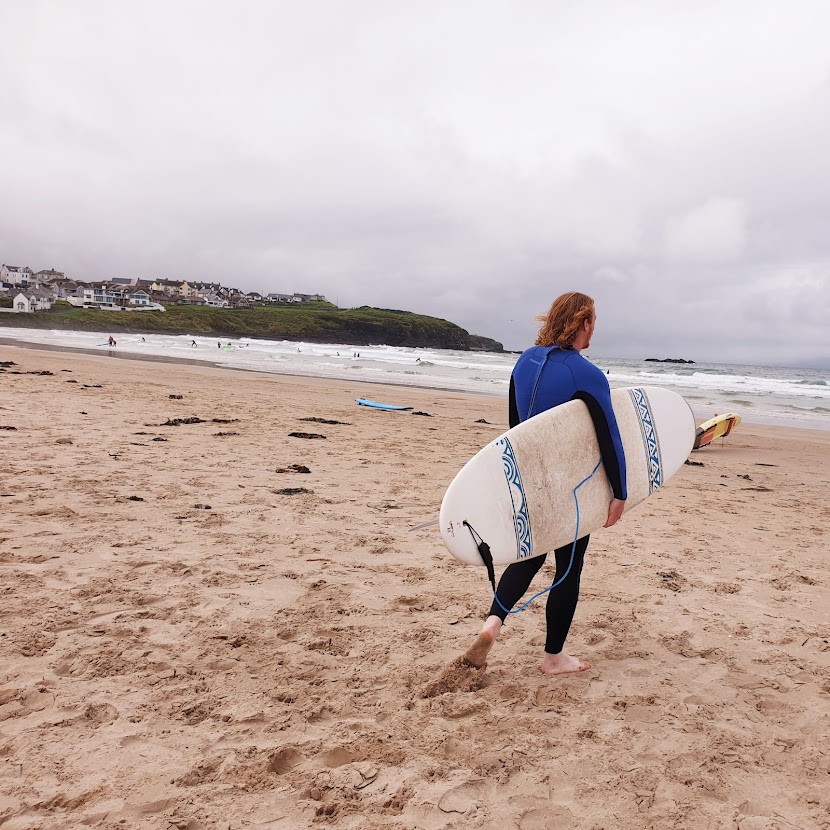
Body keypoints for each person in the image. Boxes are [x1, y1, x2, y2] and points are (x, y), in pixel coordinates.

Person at [463, 292, 627, 676]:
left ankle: (492, 623)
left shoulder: (524, 361)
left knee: (530, 556)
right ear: (584, 322)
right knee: (569, 567)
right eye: (593, 322)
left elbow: (515, 428)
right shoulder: (585, 373)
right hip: (572, 487)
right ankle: (553, 657)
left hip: (531, 480)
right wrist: (619, 492)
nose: (594, 331)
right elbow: (610, 435)